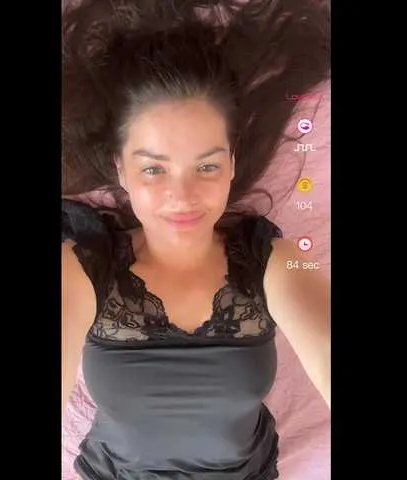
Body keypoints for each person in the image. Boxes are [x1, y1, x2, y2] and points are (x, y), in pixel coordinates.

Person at [61, 1, 330, 478]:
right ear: (121, 169)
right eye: (153, 169)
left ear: (231, 163)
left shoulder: (273, 259)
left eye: (206, 166)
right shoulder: (82, 268)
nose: (182, 196)